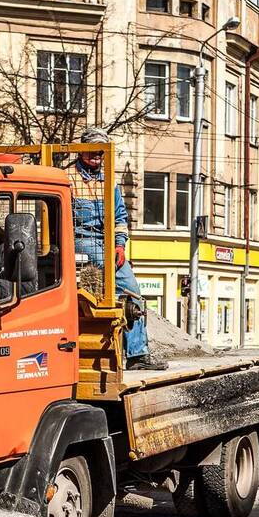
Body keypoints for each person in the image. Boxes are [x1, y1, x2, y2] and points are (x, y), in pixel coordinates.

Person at [69, 127, 165, 371]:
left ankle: (136, 355)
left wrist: (120, 246)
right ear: (81, 150)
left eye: (101, 152)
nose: (97, 157)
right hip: (79, 239)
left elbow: (120, 217)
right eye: (92, 151)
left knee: (132, 292)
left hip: (107, 242)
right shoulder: (68, 177)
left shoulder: (109, 181)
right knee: (105, 276)